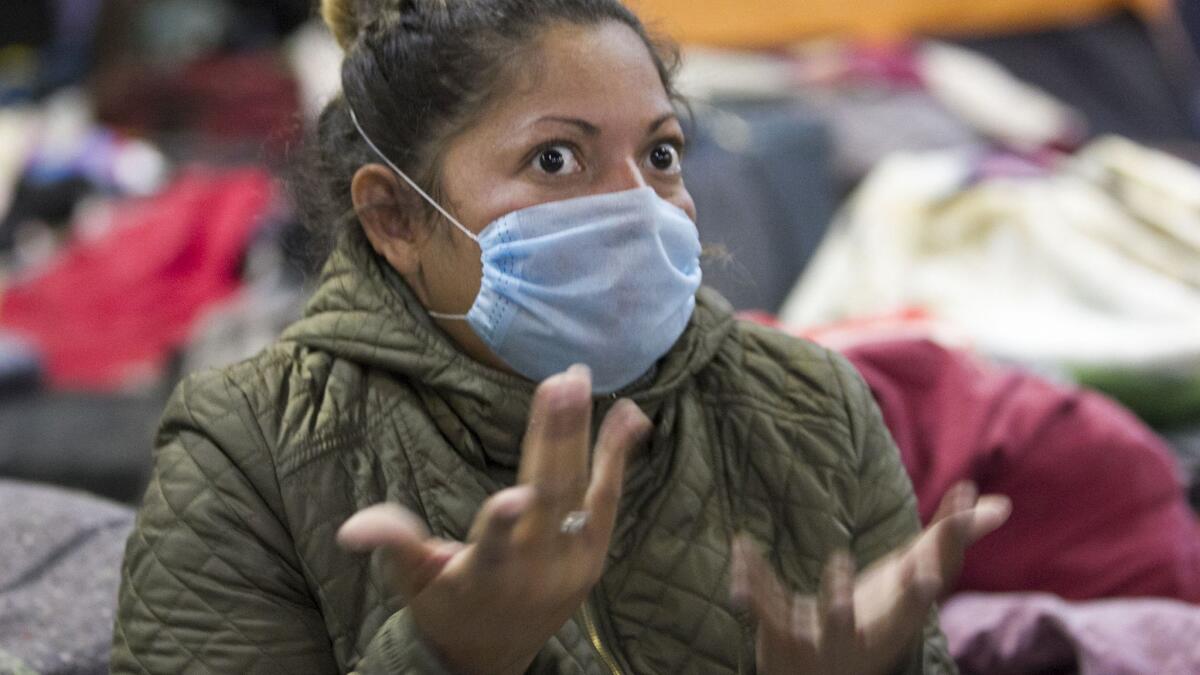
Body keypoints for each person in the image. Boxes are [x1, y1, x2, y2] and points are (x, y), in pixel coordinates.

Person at [110, 1, 1010, 673]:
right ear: (395, 218)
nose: (634, 204)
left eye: (659, 153)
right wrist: (448, 656)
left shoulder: (811, 405)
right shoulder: (249, 452)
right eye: (556, 159)